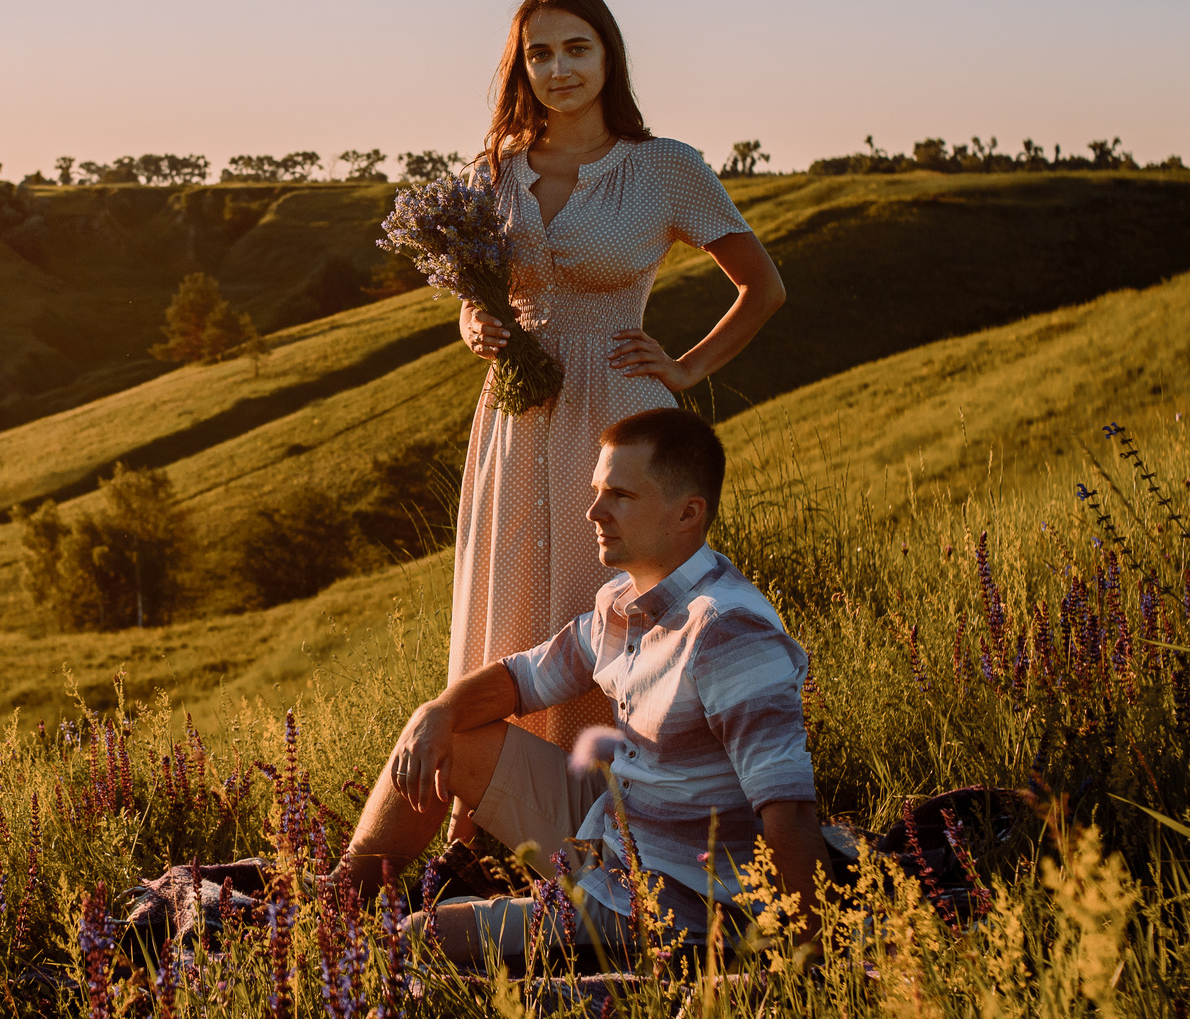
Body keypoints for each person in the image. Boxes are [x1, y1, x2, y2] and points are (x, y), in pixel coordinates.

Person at [336, 407, 839, 968]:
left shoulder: (728, 630)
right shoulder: (622, 602)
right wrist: (437, 709)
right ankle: (338, 901)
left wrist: (812, 963)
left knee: (412, 940)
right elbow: (521, 678)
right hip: (615, 827)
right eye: (598, 491)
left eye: (619, 495)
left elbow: (788, 811)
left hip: (671, 898)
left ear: (687, 513)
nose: (593, 511)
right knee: (448, 730)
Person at [451, 0, 785, 758]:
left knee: (599, 595)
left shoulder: (664, 167)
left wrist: (687, 366)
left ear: (608, 55)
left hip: (617, 413)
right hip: (514, 414)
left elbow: (763, 286)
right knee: (508, 597)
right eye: (540, 53)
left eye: (577, 48)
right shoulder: (493, 170)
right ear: (520, 66)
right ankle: (495, 805)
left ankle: (614, 798)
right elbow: (476, 293)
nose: (559, 68)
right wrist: (474, 322)